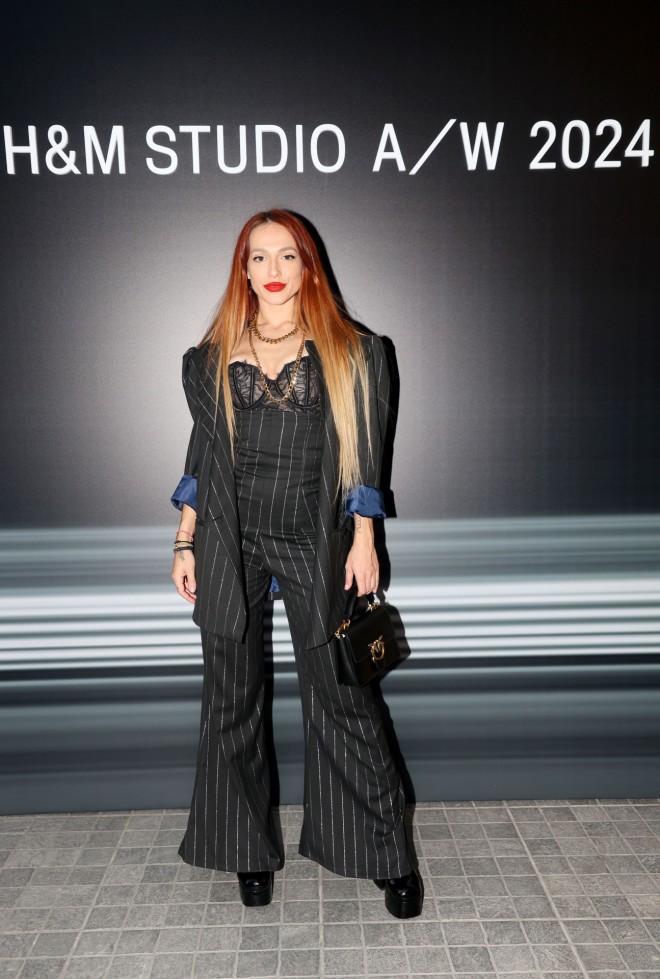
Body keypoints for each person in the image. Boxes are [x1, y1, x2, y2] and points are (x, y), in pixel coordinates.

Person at [170, 209, 423, 919]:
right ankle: (246, 849)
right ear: (243, 270)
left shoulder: (353, 351)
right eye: (259, 257)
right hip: (231, 539)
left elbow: (366, 453)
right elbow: (202, 456)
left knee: (343, 695)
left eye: (288, 255)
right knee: (230, 700)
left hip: (316, 538)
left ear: (309, 267)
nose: (273, 269)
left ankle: (386, 854)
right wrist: (184, 540)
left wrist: (366, 537)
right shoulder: (209, 357)